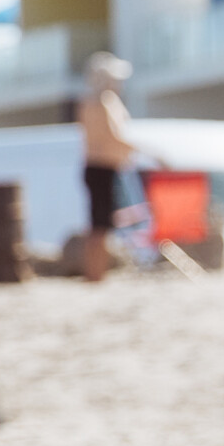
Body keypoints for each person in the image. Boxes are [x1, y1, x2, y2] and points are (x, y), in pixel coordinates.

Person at [79, 53, 136, 283]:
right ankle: (96, 275)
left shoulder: (90, 102)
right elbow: (113, 137)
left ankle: (95, 274)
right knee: (100, 225)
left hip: (98, 167)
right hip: (102, 168)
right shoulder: (103, 103)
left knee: (99, 224)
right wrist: (146, 150)